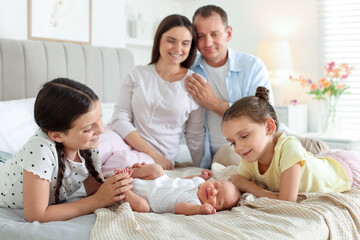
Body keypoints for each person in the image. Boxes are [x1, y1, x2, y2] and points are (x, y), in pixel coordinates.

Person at [185, 5, 329, 168]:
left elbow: (263, 114)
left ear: (228, 33)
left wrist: (212, 103)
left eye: (214, 34)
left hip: (268, 139)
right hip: (229, 150)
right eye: (201, 36)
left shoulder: (252, 65)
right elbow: (192, 131)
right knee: (239, 160)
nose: (207, 42)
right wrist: (201, 167)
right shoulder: (189, 72)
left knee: (316, 147)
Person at [0, 78, 133, 223]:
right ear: (57, 135)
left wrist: (121, 182)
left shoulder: (87, 145)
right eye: (89, 128)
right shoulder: (40, 150)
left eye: (100, 119)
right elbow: (36, 215)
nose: (101, 130)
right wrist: (96, 201)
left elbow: (96, 191)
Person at [99, 14, 205, 174]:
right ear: (159, 40)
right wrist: (153, 154)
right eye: (171, 40)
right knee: (97, 146)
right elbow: (119, 119)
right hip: (123, 138)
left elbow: (195, 136)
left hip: (159, 157)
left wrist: (202, 169)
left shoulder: (195, 83)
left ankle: (90, 184)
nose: (178, 48)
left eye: (185, 43)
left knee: (125, 162)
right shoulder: (136, 75)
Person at [222, 86, 360, 202]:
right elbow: (234, 186)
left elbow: (287, 201)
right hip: (321, 160)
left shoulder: (288, 147)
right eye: (232, 143)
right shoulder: (249, 157)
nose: (238, 148)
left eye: (244, 136)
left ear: (269, 127)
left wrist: (249, 187)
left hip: (343, 171)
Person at [119, 163, 241, 215]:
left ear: (215, 209)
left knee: (143, 208)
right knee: (157, 169)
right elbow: (184, 179)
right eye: (215, 186)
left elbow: (179, 208)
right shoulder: (199, 182)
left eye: (218, 198)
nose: (213, 191)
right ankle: (130, 173)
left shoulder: (195, 203)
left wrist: (199, 209)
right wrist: (200, 176)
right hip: (152, 180)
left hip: (147, 200)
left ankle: (125, 189)